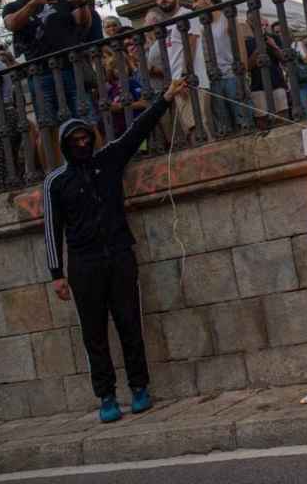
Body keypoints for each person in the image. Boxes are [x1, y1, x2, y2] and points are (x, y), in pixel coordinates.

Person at [44, 78, 188, 423]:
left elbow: (137, 131)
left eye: (84, 138)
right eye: (74, 140)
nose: (81, 144)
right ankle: (106, 395)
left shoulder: (107, 160)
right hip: (84, 264)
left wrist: (166, 98)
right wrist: (56, 274)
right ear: (65, 145)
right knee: (94, 333)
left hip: (120, 255)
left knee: (129, 323)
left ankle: (139, 387)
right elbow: (52, 229)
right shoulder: (56, 181)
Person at [2, 0, 94, 125]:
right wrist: (34, 3)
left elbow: (82, 21)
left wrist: (82, 3)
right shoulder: (12, 7)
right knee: (49, 126)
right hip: (40, 73)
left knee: (87, 121)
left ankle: (97, 152)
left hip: (71, 68)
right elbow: (12, 24)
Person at [192, 0, 249, 133]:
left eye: (196, 0)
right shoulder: (203, 25)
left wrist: (243, 72)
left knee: (243, 122)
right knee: (224, 127)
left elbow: (240, 45)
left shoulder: (227, 17)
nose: (194, 5)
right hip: (214, 79)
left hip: (232, 75)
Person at [152, 0, 201, 137]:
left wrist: (185, 76)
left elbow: (192, 43)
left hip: (189, 81)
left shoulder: (186, 14)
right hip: (177, 84)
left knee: (197, 129)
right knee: (189, 130)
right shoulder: (165, 24)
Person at [245, 19, 289, 123]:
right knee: (261, 118)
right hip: (257, 84)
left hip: (276, 82)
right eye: (260, 24)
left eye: (265, 25)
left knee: (282, 116)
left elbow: (285, 60)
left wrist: (274, 46)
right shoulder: (247, 42)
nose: (263, 27)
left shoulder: (274, 38)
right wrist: (257, 52)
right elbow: (247, 67)